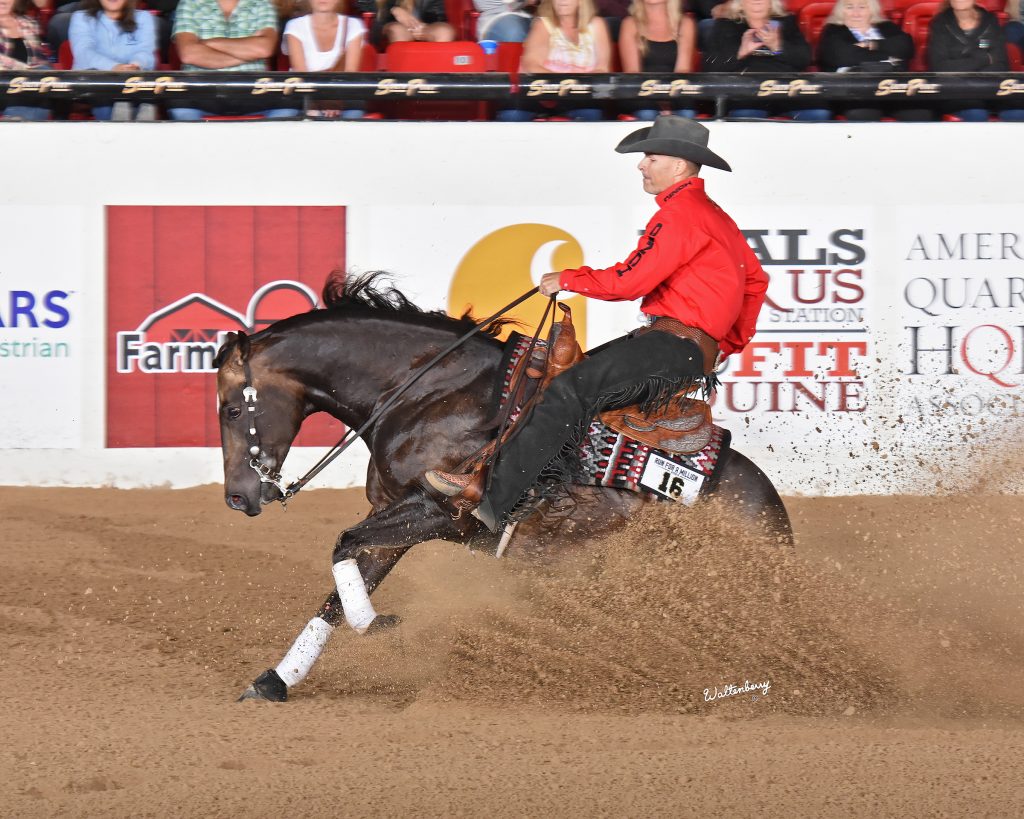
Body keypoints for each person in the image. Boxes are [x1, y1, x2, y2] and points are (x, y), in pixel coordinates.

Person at [425, 116, 769, 533]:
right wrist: (721, 345)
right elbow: (755, 280)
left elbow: (631, 280)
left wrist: (568, 279)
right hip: (684, 346)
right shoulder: (713, 215)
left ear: (679, 166)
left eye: (651, 157)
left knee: (567, 389)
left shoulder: (680, 214)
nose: (641, 165)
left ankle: (498, 498)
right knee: (572, 383)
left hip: (672, 343)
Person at [169, 0, 300, 120]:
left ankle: (262, 144)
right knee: (178, 103)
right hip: (202, 86)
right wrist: (248, 54)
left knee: (290, 101)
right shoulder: (190, 3)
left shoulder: (262, 4)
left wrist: (208, 43)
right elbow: (189, 54)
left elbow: (264, 48)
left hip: (252, 87)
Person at [702, 0, 830, 120]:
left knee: (818, 111)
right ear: (741, 3)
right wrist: (740, 52)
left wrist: (778, 46)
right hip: (746, 91)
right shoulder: (725, 25)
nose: (757, 1)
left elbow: (804, 59)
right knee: (746, 114)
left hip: (786, 88)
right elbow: (710, 67)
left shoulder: (787, 22)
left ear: (771, 3)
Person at [498, 0, 611, 120]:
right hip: (540, 92)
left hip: (580, 93)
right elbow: (531, 65)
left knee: (590, 111)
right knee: (513, 112)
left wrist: (574, 86)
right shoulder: (543, 24)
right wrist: (566, 83)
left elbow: (602, 68)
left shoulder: (597, 24)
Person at [816, 0, 924, 121]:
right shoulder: (833, 30)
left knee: (919, 112)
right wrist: (890, 58)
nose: (856, 13)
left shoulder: (887, 27)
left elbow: (906, 47)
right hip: (855, 92)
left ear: (872, 10)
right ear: (841, 11)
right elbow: (843, 56)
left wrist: (872, 44)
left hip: (894, 89)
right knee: (864, 114)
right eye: (849, 7)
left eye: (862, 7)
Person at [927, 0, 1023, 122]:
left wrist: (963, 65)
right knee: (976, 112)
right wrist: (983, 59)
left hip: (992, 89)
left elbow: (1001, 66)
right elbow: (940, 68)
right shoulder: (940, 24)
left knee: (1017, 112)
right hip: (958, 91)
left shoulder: (990, 21)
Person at [69, 0, 157, 120]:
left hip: (133, 80)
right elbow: (84, 53)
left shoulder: (143, 18)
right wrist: (114, 67)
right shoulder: (81, 18)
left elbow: (145, 52)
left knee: (145, 94)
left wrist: (135, 66)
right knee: (109, 94)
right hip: (94, 83)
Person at [283, 0, 366, 118]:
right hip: (303, 91)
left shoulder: (353, 25)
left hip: (340, 91)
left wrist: (334, 101)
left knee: (354, 112)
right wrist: (322, 102)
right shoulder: (295, 25)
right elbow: (300, 74)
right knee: (284, 112)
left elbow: (350, 74)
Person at [618, 0, 698, 119]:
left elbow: (682, 70)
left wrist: (667, 102)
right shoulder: (630, 24)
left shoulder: (685, 24)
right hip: (641, 92)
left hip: (675, 92)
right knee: (647, 112)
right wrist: (660, 102)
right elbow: (633, 73)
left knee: (686, 111)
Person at [0, 0, 51, 121]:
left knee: (45, 76)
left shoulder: (29, 23)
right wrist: (26, 71)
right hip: (4, 85)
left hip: (27, 88)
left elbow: (40, 60)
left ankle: (15, 121)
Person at [356, 0, 454, 48]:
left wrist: (421, 28)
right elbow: (368, 20)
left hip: (423, 27)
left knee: (445, 31)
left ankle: (437, 77)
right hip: (384, 28)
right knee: (397, 30)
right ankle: (401, 78)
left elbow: (439, 18)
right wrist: (393, 10)